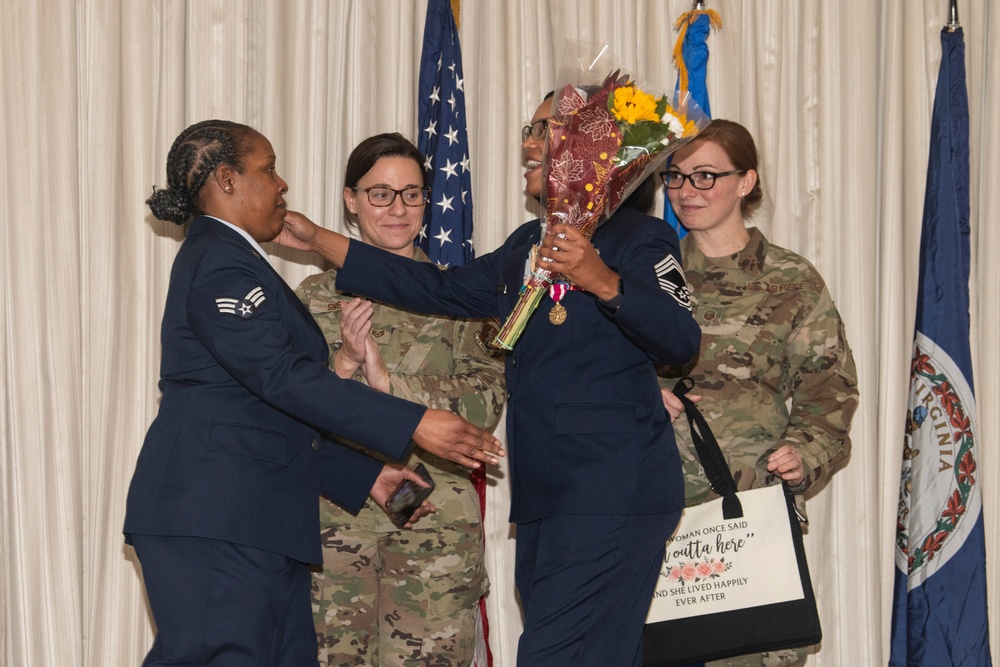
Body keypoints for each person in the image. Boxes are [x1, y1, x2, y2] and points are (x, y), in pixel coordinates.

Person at [277, 95, 701, 667]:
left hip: (612, 490)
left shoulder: (636, 239)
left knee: (559, 655)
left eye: (543, 132)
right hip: (546, 497)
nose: (527, 144)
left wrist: (601, 279)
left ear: (593, 150)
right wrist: (319, 239)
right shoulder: (528, 245)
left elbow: (681, 340)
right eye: (530, 129)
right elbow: (437, 290)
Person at [123, 120, 503, 667]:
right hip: (219, 518)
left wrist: (363, 474)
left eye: (412, 194)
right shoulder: (219, 261)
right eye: (268, 169)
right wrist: (412, 421)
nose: (281, 185)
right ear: (227, 180)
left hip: (259, 520)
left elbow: (269, 410)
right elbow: (282, 378)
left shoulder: (235, 259)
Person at [294, 133, 505, 666]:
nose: (397, 209)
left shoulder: (459, 297)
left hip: (433, 519)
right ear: (350, 199)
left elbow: (485, 405)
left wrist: (391, 384)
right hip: (335, 517)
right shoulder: (315, 298)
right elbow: (284, 402)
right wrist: (343, 362)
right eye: (380, 194)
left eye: (412, 194)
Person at [659, 119, 859, 667]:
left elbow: (830, 391)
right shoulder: (646, 276)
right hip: (657, 518)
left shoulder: (791, 279)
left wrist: (806, 454)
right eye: (675, 178)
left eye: (706, 177)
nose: (686, 192)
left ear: (746, 181)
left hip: (752, 517)